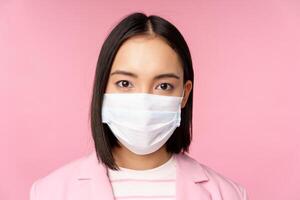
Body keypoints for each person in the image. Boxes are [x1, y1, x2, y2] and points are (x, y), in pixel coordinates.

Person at [30, 12, 249, 200]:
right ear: (103, 89)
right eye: (125, 83)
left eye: (163, 85)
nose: (143, 102)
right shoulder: (50, 192)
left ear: (184, 94)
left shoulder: (228, 194)